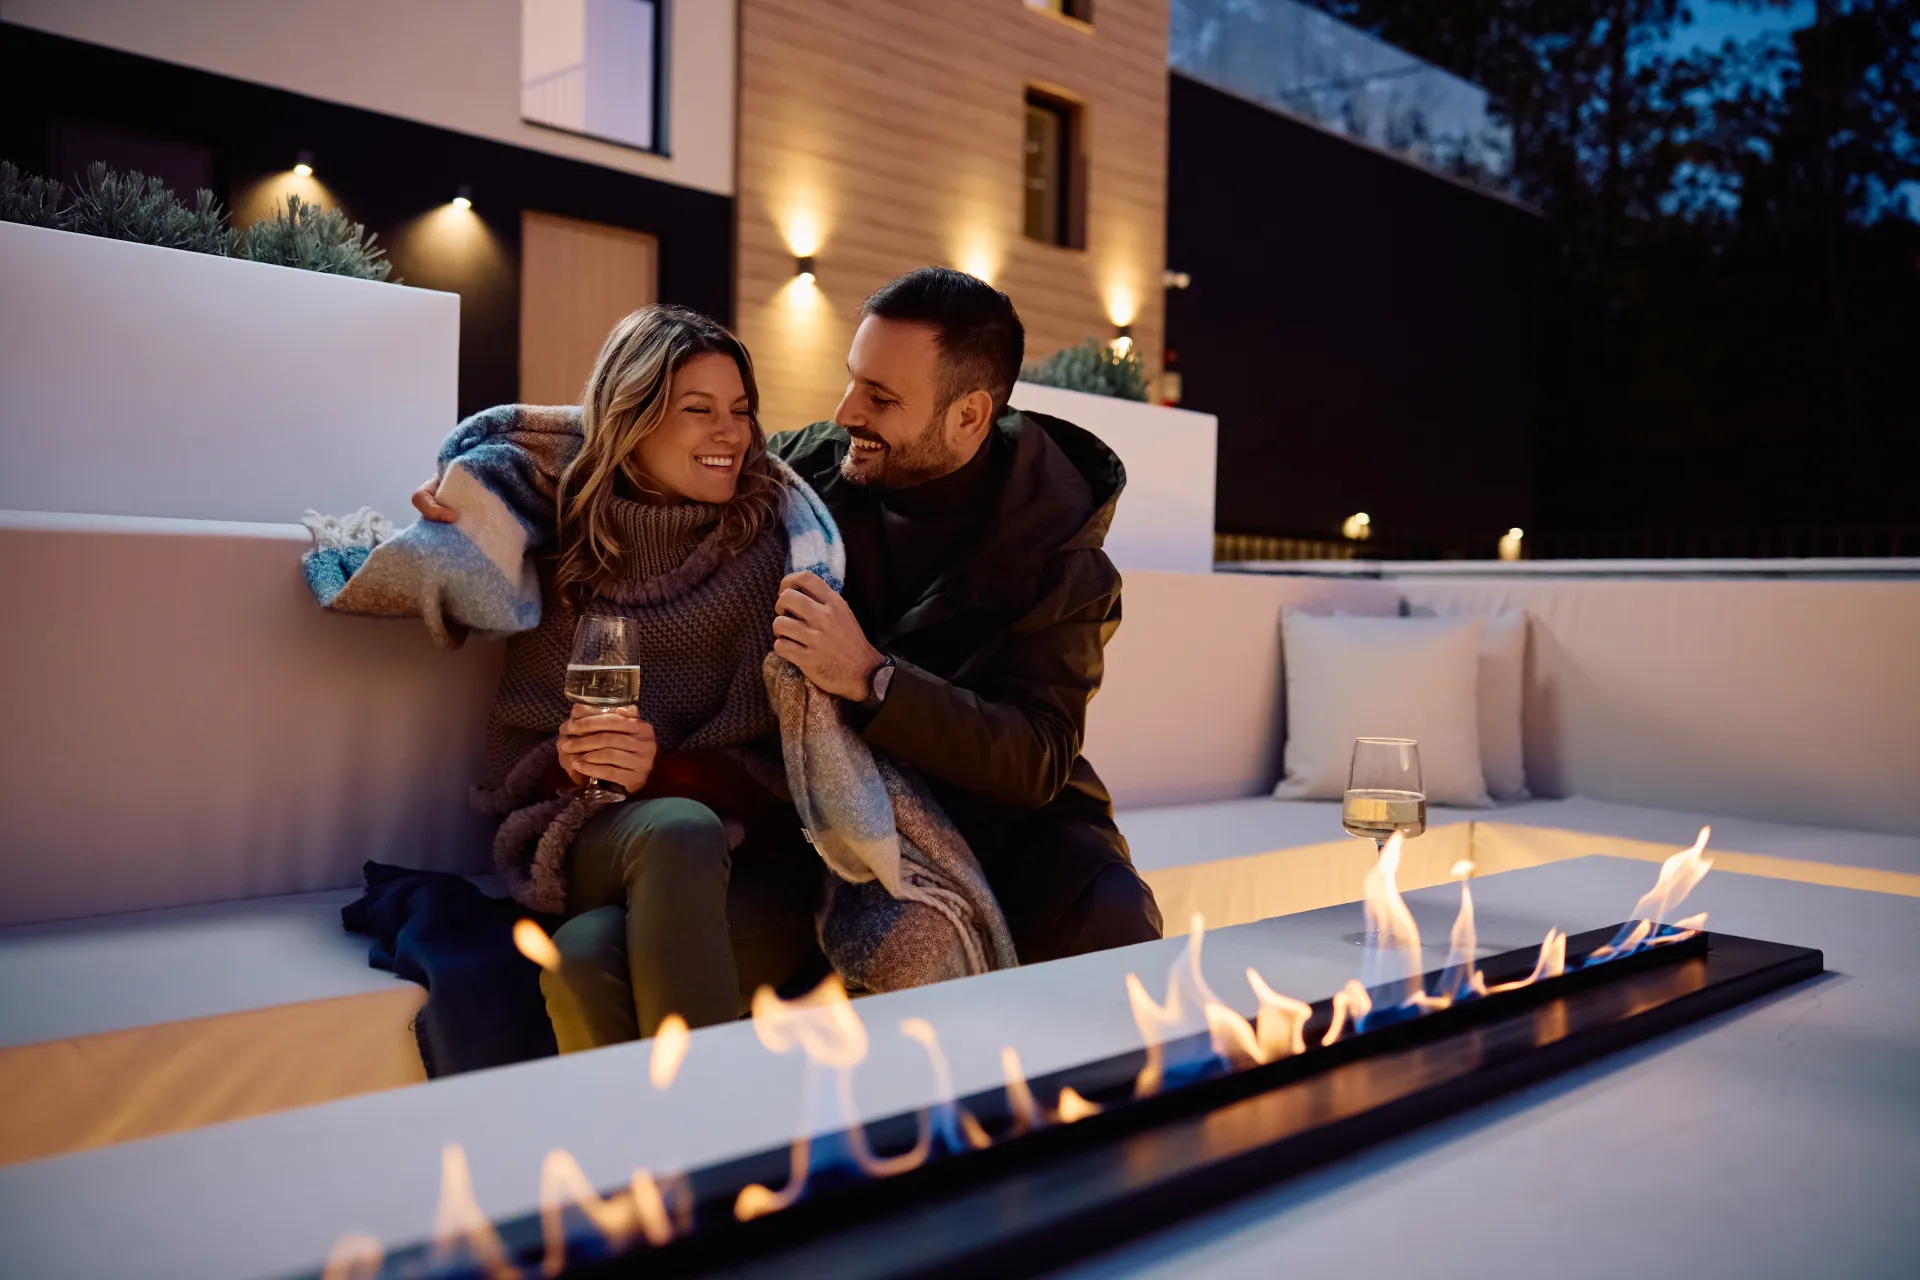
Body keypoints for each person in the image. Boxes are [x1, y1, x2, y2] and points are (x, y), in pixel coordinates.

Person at [413, 305, 824, 1050]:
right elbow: (526, 753)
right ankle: (719, 1157)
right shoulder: (567, 549)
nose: (730, 433)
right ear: (630, 422)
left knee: (579, 957)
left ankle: (647, 1161)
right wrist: (570, 761)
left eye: (740, 411)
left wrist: (661, 771)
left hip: (751, 870)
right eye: (698, 411)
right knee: (672, 831)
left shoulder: (780, 560)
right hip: (606, 838)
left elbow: (803, 772)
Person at [765, 267, 1163, 962]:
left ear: (970, 415)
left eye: (881, 396)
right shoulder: (808, 475)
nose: (846, 411)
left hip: (1010, 826)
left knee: (1114, 927)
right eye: (854, 377)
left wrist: (871, 677)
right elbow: (668, 461)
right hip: (831, 805)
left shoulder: (1060, 549)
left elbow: (1038, 757)